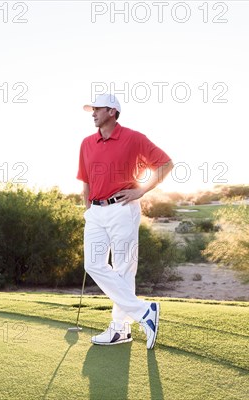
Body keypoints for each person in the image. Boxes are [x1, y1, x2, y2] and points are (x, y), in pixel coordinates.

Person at [77, 93, 173, 349]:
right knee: (93, 264)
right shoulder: (87, 142)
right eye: (92, 109)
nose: (93, 113)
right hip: (96, 212)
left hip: (122, 208)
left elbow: (165, 164)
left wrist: (141, 191)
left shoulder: (134, 138)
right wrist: (88, 208)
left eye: (97, 109)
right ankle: (143, 312)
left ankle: (120, 329)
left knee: (123, 268)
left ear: (112, 111)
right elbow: (85, 179)